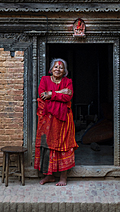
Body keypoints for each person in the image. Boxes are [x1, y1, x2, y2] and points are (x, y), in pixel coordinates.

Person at [34, 58, 78, 186]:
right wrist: (60, 93)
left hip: (63, 119)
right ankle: (49, 176)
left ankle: (63, 177)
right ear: (51, 69)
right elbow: (42, 95)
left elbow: (68, 96)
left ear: (65, 71)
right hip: (47, 119)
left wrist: (52, 94)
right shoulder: (45, 80)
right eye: (55, 67)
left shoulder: (67, 81)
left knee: (64, 145)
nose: (58, 69)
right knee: (47, 145)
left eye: (61, 67)